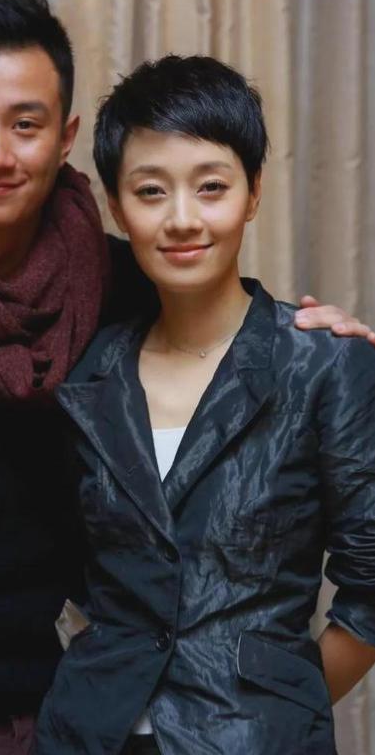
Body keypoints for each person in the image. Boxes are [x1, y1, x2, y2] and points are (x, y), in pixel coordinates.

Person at [0, 0, 369, 755]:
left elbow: (227, 324)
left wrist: (332, 340)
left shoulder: (120, 286)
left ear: (64, 137)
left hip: (92, 706)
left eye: (24, 124)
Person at [34, 55, 375, 755]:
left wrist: (280, 710)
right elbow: (74, 570)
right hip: (89, 735)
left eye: (211, 186)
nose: (183, 219)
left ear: (252, 193)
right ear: (116, 206)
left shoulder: (322, 363)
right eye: (151, 191)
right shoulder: (89, 374)